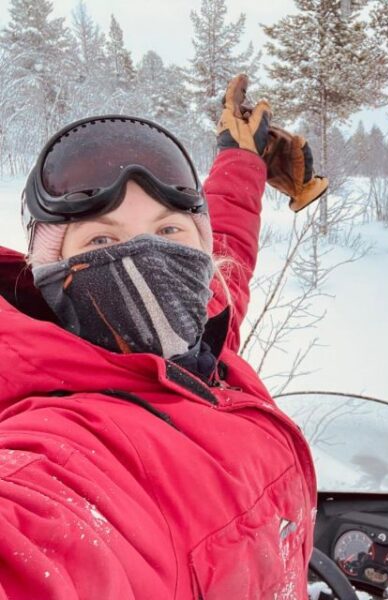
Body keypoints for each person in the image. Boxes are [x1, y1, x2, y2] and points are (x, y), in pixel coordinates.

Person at [0, 76, 316, 597]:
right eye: (102, 240)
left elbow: (229, 247)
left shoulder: (198, 340)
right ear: (50, 272)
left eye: (169, 231)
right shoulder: (67, 453)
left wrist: (243, 161)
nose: (148, 260)